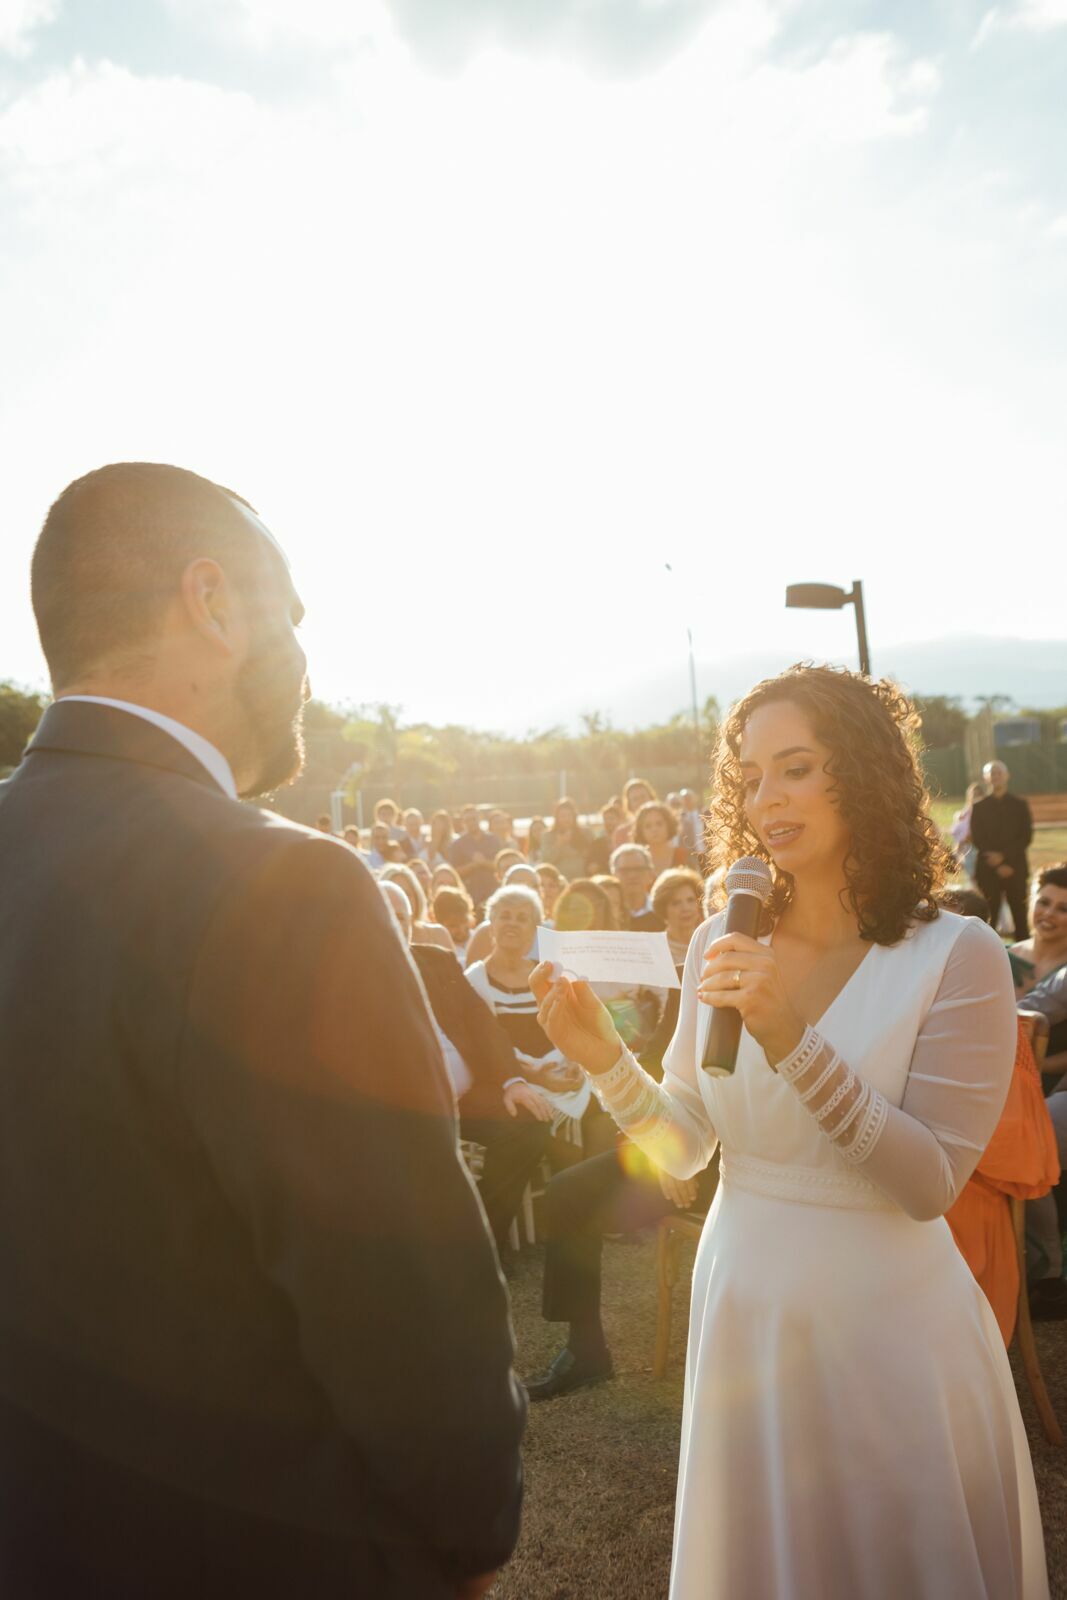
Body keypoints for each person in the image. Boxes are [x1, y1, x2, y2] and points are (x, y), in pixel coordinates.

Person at [0, 462, 524, 1599]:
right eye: (287, 607)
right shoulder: (284, 884)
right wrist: (468, 1538)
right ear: (212, 600)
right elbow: (399, 1297)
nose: (299, 644)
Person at [532, 662, 1046, 1598]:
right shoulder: (719, 945)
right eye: (749, 774)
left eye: (796, 767)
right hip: (745, 1305)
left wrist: (788, 1036)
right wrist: (604, 1059)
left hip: (887, 1325)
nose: (765, 796)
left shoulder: (956, 954)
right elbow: (685, 1144)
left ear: (864, 773)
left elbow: (927, 1183)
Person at [379, 883, 553, 1258]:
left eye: (402, 916)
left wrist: (513, 1080)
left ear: (414, 922)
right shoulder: (353, 976)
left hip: (467, 1098)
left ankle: (484, 1242)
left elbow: (480, 1022)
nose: (394, 924)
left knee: (529, 1120)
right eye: (385, 914)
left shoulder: (437, 960)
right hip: (405, 1107)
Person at [466, 888, 589, 1142]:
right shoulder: (473, 981)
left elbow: (569, 1026)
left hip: (560, 1071)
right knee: (542, 1127)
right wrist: (535, 1077)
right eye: (505, 916)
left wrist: (575, 1062)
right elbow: (481, 1046)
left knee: (601, 1119)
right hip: (510, 1079)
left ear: (534, 931)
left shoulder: (550, 974)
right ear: (491, 925)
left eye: (522, 918)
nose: (512, 923)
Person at [970, 760, 1034, 938]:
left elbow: (1026, 837)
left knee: (1020, 918)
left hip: (1015, 869)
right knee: (988, 920)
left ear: (1007, 776)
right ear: (986, 778)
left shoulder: (1020, 805)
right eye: (992, 773)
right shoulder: (979, 807)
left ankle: (1022, 961)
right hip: (988, 871)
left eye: (999, 773)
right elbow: (978, 839)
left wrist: (1005, 857)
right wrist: (997, 864)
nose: (995, 776)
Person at [379, 862, 455, 952]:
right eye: (394, 894)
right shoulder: (378, 942)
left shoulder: (439, 935)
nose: (402, 900)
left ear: (416, 897)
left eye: (407, 894)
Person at [450, 805, 499, 913]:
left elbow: (500, 866)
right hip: (470, 895)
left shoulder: (493, 840)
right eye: (467, 820)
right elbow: (454, 872)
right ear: (463, 822)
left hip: (493, 892)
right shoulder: (457, 844)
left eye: (474, 819)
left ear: (480, 818)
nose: (471, 822)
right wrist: (473, 865)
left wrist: (484, 862)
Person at [610, 842, 665, 931]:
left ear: (650, 874)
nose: (632, 875)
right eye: (625, 870)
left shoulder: (664, 912)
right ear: (614, 875)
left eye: (639, 869)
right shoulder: (608, 915)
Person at [540, 796, 595, 882]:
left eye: (569, 815)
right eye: (562, 816)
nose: (566, 819)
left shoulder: (585, 833)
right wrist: (559, 844)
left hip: (583, 878)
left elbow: (593, 855)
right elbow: (546, 860)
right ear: (557, 818)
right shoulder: (548, 836)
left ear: (574, 816)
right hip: (560, 881)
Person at [632, 800, 689, 876]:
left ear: (669, 825)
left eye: (659, 824)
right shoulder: (636, 860)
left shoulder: (683, 856)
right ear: (640, 830)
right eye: (648, 826)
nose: (654, 829)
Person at [951, 780, 986, 885]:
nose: (975, 797)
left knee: (978, 873)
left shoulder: (984, 810)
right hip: (967, 845)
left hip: (978, 845)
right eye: (973, 795)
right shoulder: (967, 810)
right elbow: (961, 826)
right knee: (970, 874)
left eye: (978, 795)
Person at [432, 885, 476, 965]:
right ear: (439, 924)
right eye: (453, 926)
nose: (461, 929)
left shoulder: (479, 938)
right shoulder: (437, 948)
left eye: (464, 921)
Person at [677, 788, 704, 870]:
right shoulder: (679, 817)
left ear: (695, 798)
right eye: (684, 798)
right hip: (689, 855)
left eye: (689, 798)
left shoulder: (704, 814)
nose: (687, 800)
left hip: (705, 853)